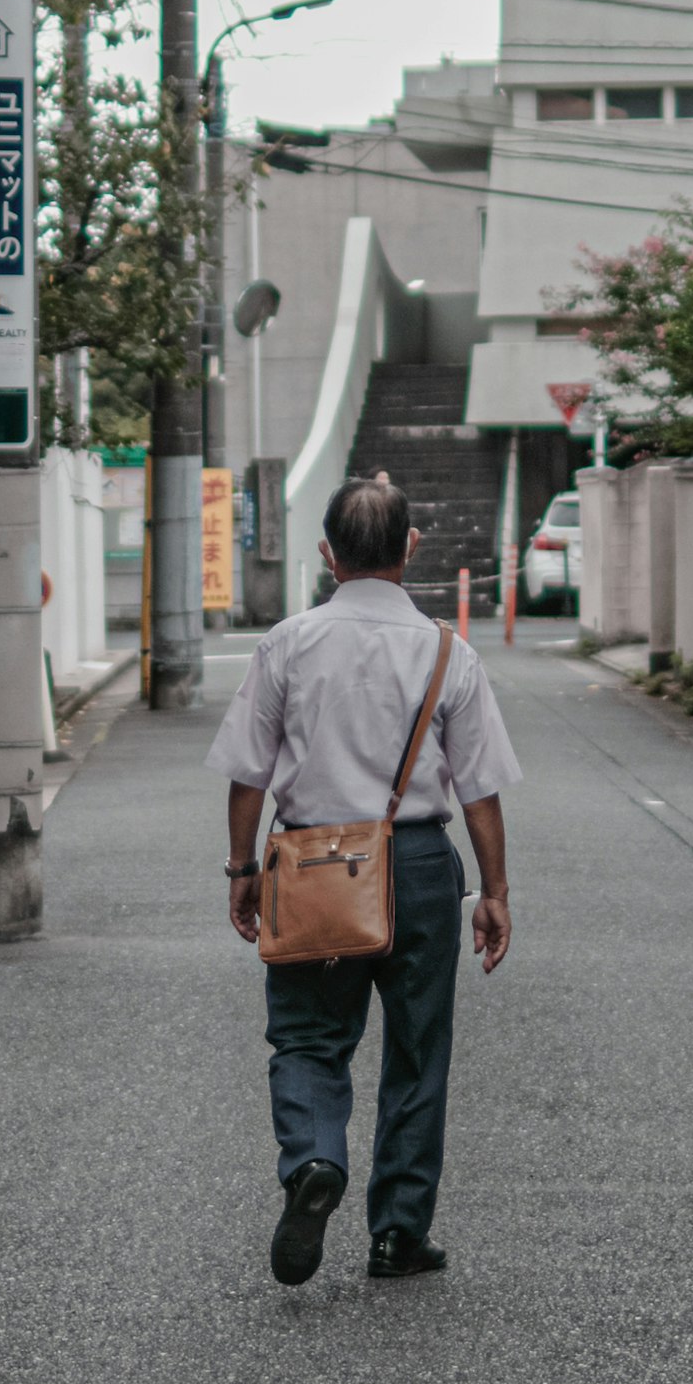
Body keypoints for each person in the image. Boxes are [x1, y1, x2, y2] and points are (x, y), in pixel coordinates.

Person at [212, 475, 521, 1287]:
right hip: (418, 865)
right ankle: (398, 1233)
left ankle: (314, 1159)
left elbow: (247, 773)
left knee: (310, 1037)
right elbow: (479, 785)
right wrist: (495, 890)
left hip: (312, 862)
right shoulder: (448, 651)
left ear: (326, 554)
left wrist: (244, 868)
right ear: (410, 548)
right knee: (418, 1052)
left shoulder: (286, 643)